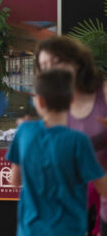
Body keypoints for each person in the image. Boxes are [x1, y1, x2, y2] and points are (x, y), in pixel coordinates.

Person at [7, 69, 107, 235]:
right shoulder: (79, 140)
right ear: (72, 100)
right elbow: (103, 188)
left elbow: (15, 180)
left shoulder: (24, 131)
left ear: (38, 101)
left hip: (30, 230)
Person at [35, 36, 107, 234]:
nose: (51, 70)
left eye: (56, 62)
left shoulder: (104, 93)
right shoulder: (50, 106)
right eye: (44, 65)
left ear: (76, 61)